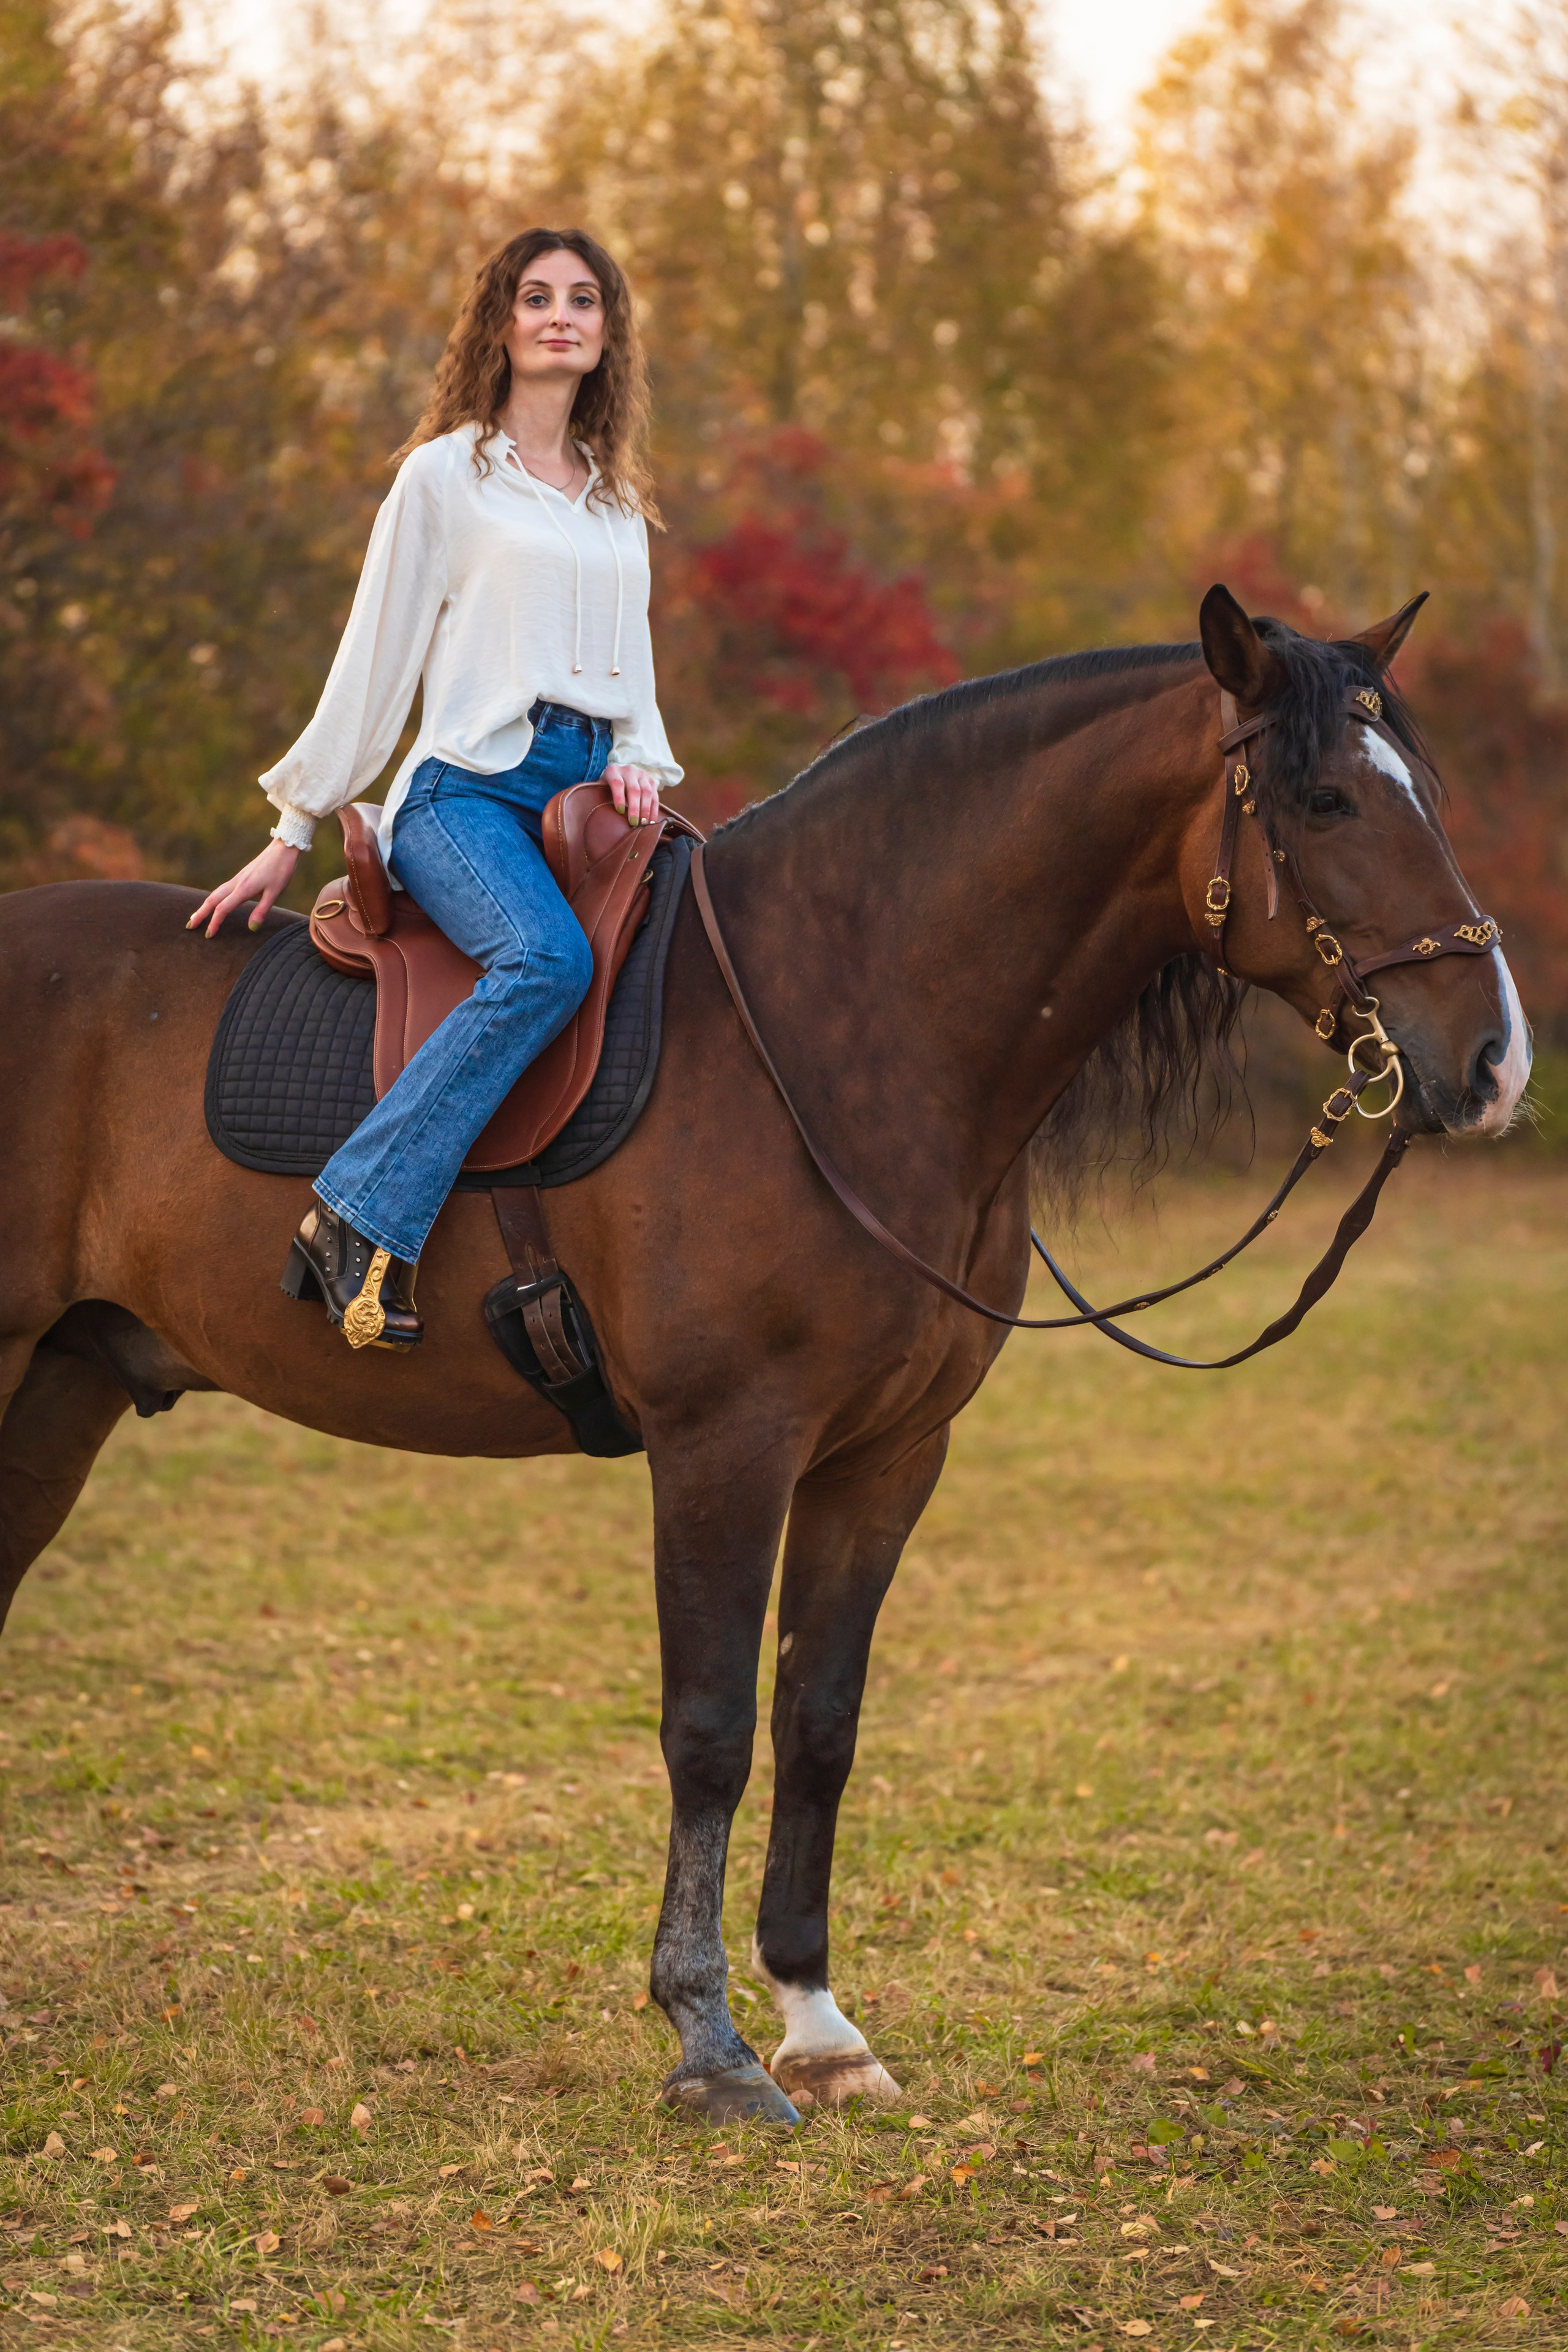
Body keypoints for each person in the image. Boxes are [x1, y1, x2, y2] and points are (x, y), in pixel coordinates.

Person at [187, 228, 682, 1351]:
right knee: (546, 961)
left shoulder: (616, 504)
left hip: (589, 798)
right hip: (468, 794)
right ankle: (356, 1211)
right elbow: (376, 657)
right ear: (501, 323)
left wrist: (639, 757)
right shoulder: (445, 475)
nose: (561, 316)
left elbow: (633, 674)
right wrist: (295, 823)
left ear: (608, 333)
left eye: (584, 300)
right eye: (536, 297)